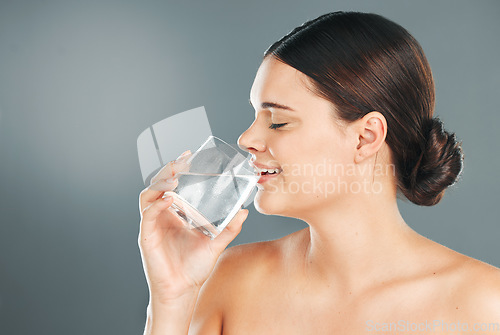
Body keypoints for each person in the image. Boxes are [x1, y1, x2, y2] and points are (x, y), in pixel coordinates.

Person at [138, 11, 500, 335]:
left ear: (365, 137)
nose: (247, 139)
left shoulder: (484, 306)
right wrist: (171, 298)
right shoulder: (229, 281)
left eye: (277, 121)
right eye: (255, 116)